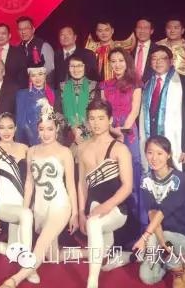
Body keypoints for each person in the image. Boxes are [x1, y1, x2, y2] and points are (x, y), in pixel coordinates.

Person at [0, 99, 78, 288]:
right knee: (52, 255)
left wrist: (74, 213)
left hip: (60, 204)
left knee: (40, 245)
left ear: (56, 130)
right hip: (40, 207)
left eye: (50, 129)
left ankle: (14, 280)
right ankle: (89, 252)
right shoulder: (32, 151)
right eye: (42, 129)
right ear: (37, 130)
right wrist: (25, 210)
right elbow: (29, 183)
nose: (45, 133)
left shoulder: (65, 152)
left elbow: (71, 185)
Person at [76, 99, 133, 288]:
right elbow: (81, 184)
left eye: (101, 118)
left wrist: (106, 207)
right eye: (92, 118)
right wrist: (80, 213)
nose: (96, 123)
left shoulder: (120, 149)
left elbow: (127, 187)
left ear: (110, 120)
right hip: (93, 208)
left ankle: (92, 282)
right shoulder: (82, 148)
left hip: (116, 209)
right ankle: (126, 256)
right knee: (105, 259)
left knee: (94, 223)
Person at [134, 135, 185, 288]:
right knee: (148, 277)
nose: (154, 158)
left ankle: (179, 269)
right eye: (150, 153)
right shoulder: (146, 180)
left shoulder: (178, 179)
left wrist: (145, 237)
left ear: (168, 155)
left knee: (161, 238)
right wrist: (162, 242)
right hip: (160, 233)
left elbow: (162, 212)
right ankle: (169, 257)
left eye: (159, 153)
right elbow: (152, 214)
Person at [0, 113, 38, 283]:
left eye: (10, 127)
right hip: (3, 204)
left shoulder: (25, 148)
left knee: (13, 249)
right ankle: (28, 267)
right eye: (2, 127)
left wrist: (27, 204)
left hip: (21, 205)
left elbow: (30, 181)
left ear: (15, 128)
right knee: (26, 214)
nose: (6, 131)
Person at [99, 48, 144, 226]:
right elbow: (103, 112)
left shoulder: (135, 84)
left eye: (120, 61)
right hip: (109, 133)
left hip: (128, 133)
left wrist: (122, 130)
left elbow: (135, 110)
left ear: (127, 63)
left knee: (132, 176)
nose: (117, 64)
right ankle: (116, 225)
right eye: (113, 61)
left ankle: (138, 224)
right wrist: (110, 129)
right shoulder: (105, 85)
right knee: (113, 176)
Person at [139, 46, 185, 173]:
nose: (158, 62)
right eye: (154, 59)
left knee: (179, 179)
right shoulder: (146, 84)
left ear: (171, 61)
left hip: (178, 145)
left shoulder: (184, 82)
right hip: (152, 139)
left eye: (163, 58)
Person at [60, 53, 100, 152]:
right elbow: (58, 113)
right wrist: (73, 128)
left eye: (79, 66)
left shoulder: (94, 86)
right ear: (68, 68)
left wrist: (83, 130)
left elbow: (97, 112)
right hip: (67, 135)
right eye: (72, 66)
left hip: (91, 134)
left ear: (85, 67)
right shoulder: (62, 87)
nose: (76, 69)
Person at [15, 64, 58, 146]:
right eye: (33, 75)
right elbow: (20, 122)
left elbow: (57, 120)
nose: (37, 78)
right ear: (29, 77)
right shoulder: (22, 94)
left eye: (40, 74)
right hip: (29, 141)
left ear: (45, 75)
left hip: (49, 139)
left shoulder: (53, 93)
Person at [16, 16, 54, 83]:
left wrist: (35, 78)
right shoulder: (17, 48)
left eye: (26, 28)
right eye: (20, 29)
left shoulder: (43, 45)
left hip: (41, 84)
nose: (23, 32)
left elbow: (50, 67)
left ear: (33, 29)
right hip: (22, 86)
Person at [0, 23, 28, 88]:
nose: (0, 36)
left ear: (9, 36)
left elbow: (23, 77)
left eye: (3, 33)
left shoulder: (19, 53)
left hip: (12, 91)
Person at [131, 18, 157, 83]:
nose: (142, 31)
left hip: (150, 86)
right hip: (129, 86)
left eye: (146, 28)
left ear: (151, 31)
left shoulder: (157, 49)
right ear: (135, 30)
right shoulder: (129, 48)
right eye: (139, 27)